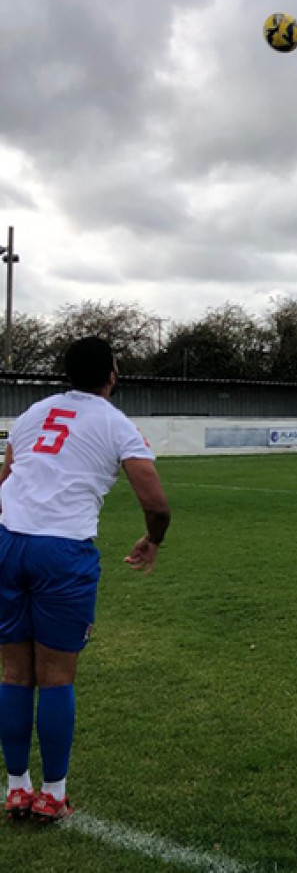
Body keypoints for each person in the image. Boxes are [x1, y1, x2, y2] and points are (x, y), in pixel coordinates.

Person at [1, 337, 171, 823]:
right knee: (55, 676)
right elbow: (155, 503)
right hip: (62, 550)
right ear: (112, 375)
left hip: (8, 541)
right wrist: (152, 539)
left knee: (14, 672)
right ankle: (52, 794)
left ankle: (16, 788)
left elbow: (7, 477)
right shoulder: (115, 422)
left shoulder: (35, 411)